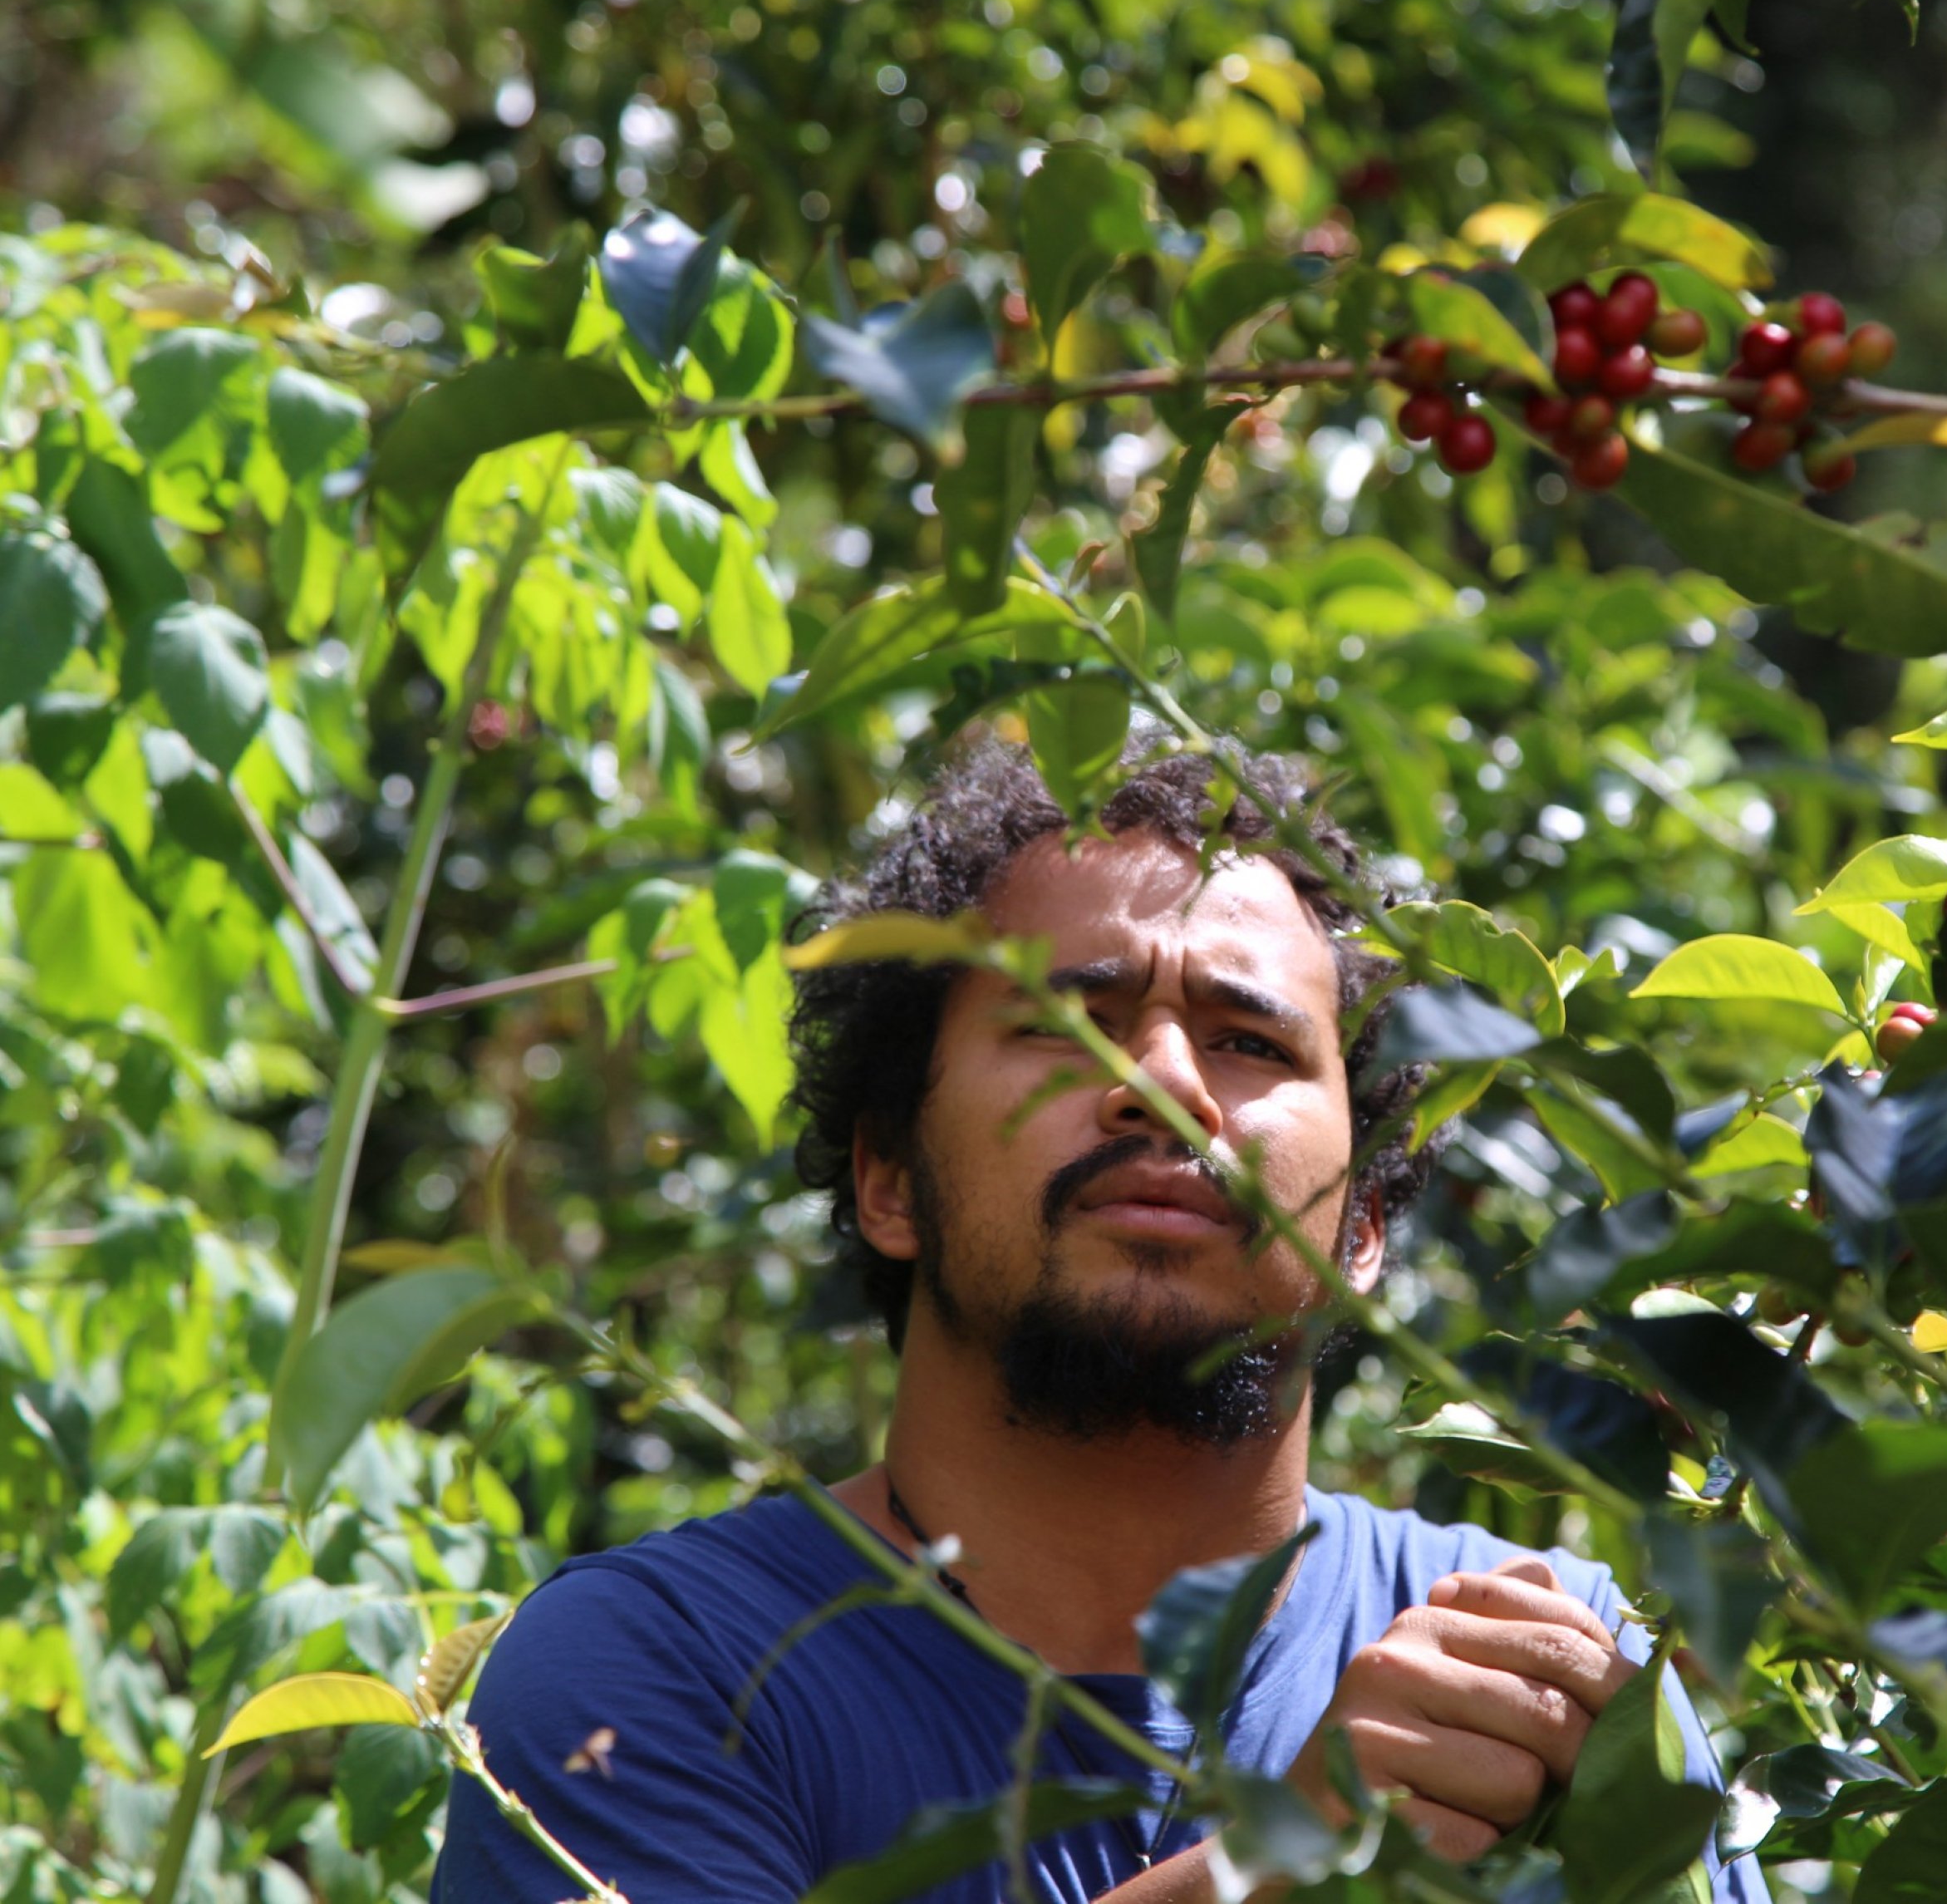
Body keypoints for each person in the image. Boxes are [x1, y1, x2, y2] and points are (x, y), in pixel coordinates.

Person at [435, 737, 1765, 1904]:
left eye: (1251, 1043)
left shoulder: (1539, 1674)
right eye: (1072, 1022)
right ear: (890, 1181)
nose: (1166, 1083)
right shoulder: (654, 1668)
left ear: (1363, 1227)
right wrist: (1282, 1862)